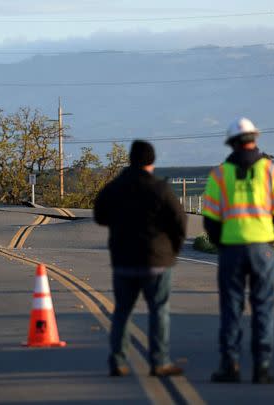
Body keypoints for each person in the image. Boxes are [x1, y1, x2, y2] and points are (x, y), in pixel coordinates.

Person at [201, 117, 274, 384]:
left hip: (231, 249)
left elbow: (210, 220)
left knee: (231, 308)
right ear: (255, 138)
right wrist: (270, 240)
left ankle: (230, 365)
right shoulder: (272, 171)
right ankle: (262, 366)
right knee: (263, 306)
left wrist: (223, 243)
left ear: (231, 143)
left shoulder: (219, 175)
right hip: (262, 249)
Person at [94, 140, 187, 377]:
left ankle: (118, 360)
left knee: (122, 312)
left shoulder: (115, 188)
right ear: (152, 162)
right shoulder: (161, 189)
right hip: (157, 261)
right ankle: (159, 361)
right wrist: (172, 250)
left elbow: (99, 215)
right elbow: (179, 222)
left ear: (130, 160)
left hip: (124, 260)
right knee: (159, 311)